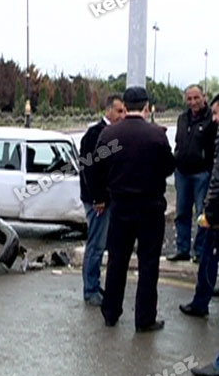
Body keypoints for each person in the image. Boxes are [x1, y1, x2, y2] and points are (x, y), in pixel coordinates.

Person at [90, 86, 175, 332]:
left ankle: (110, 312)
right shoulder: (156, 136)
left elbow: (96, 168)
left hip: (120, 207)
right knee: (148, 264)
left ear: (125, 107)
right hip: (150, 207)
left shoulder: (110, 135)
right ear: (147, 107)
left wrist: (100, 195)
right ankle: (144, 318)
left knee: (117, 261)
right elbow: (169, 167)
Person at [79, 93, 126, 306]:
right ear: (108, 110)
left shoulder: (116, 134)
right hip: (97, 200)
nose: (123, 115)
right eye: (119, 111)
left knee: (102, 245)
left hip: (109, 197)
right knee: (96, 246)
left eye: (124, 111)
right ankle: (90, 290)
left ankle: (95, 284)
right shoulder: (94, 134)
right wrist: (98, 197)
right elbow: (89, 168)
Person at [179, 94, 219, 317]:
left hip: (215, 206)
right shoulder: (183, 119)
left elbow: (217, 176)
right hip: (186, 172)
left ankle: (200, 301)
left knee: (208, 256)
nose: (214, 118)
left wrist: (210, 207)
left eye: (217, 113)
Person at [167, 85, 217, 263]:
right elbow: (178, 144)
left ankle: (200, 250)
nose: (193, 102)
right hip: (182, 173)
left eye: (196, 98)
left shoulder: (211, 119)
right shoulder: (182, 119)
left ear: (204, 97)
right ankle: (182, 249)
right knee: (182, 212)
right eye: (189, 99)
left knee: (202, 214)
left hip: (201, 173)